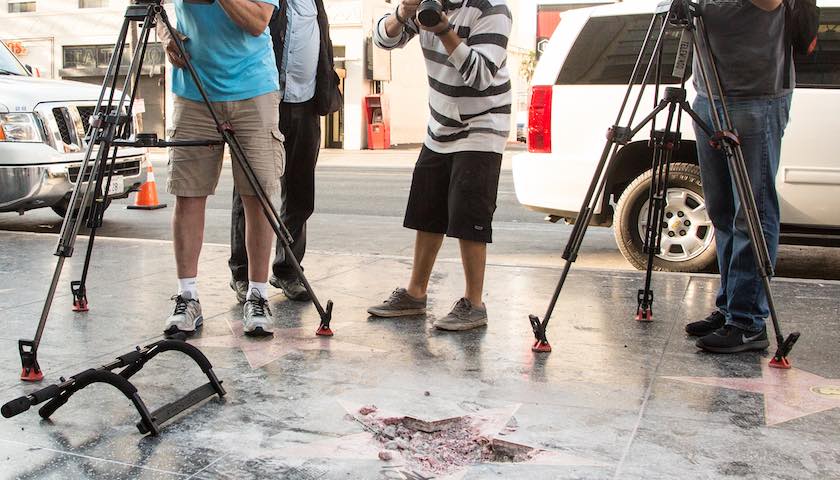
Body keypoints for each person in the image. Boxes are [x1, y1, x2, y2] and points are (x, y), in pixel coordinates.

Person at [367, 0, 512, 331]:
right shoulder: (426, 5)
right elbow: (383, 40)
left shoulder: (492, 9)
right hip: (441, 121)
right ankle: (415, 294)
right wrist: (403, 13)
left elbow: (480, 76)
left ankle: (474, 303)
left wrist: (444, 30)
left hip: (483, 121)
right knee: (427, 207)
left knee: (468, 210)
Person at [159, 0, 284, 337]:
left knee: (258, 197)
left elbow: (258, 21)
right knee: (188, 194)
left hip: (254, 88)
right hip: (193, 90)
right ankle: (187, 296)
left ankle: (257, 295)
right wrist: (165, 36)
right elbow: (153, 8)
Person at [685, 0, 793, 353]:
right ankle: (730, 307)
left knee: (752, 212)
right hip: (708, 93)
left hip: (755, 96)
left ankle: (748, 322)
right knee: (721, 211)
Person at [229, 0, 341, 304]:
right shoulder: (265, 2)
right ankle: (242, 273)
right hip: (264, 101)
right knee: (252, 191)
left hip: (306, 104)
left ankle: (288, 271)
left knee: (300, 194)